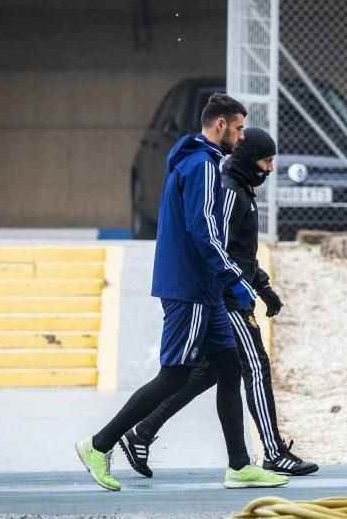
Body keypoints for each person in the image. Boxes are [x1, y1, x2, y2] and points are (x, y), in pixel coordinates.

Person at [75, 94, 288, 491]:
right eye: (239, 128)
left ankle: (239, 466)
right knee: (174, 376)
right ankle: (98, 444)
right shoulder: (204, 166)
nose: (243, 137)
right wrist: (236, 282)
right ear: (220, 125)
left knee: (228, 368)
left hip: (201, 288)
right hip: (190, 288)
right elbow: (204, 230)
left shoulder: (195, 160)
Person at [119, 128, 318, 478]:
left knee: (207, 372)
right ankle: (272, 453)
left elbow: (242, 255)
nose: (271, 168)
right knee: (254, 365)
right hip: (223, 297)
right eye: (266, 160)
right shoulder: (229, 191)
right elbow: (217, 248)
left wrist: (264, 287)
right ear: (248, 158)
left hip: (228, 292)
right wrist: (235, 292)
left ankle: (142, 432)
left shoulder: (243, 188)